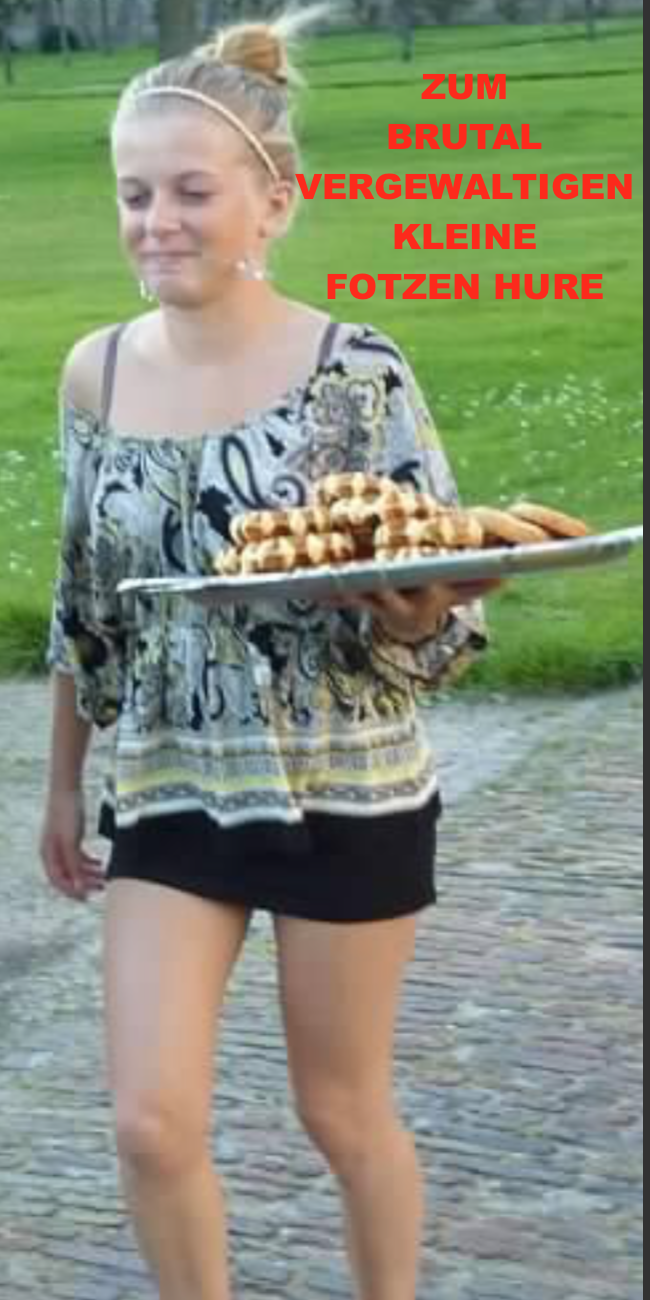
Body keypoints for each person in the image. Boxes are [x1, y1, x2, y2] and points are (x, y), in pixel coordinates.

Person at [40, 7, 500, 1298]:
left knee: (340, 1114)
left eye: (192, 191)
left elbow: (444, 606)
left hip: (343, 781)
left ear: (276, 203)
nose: (157, 221)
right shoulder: (97, 375)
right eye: (135, 193)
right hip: (173, 781)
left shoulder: (355, 373)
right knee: (149, 1123)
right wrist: (62, 781)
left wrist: (412, 613)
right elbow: (87, 599)